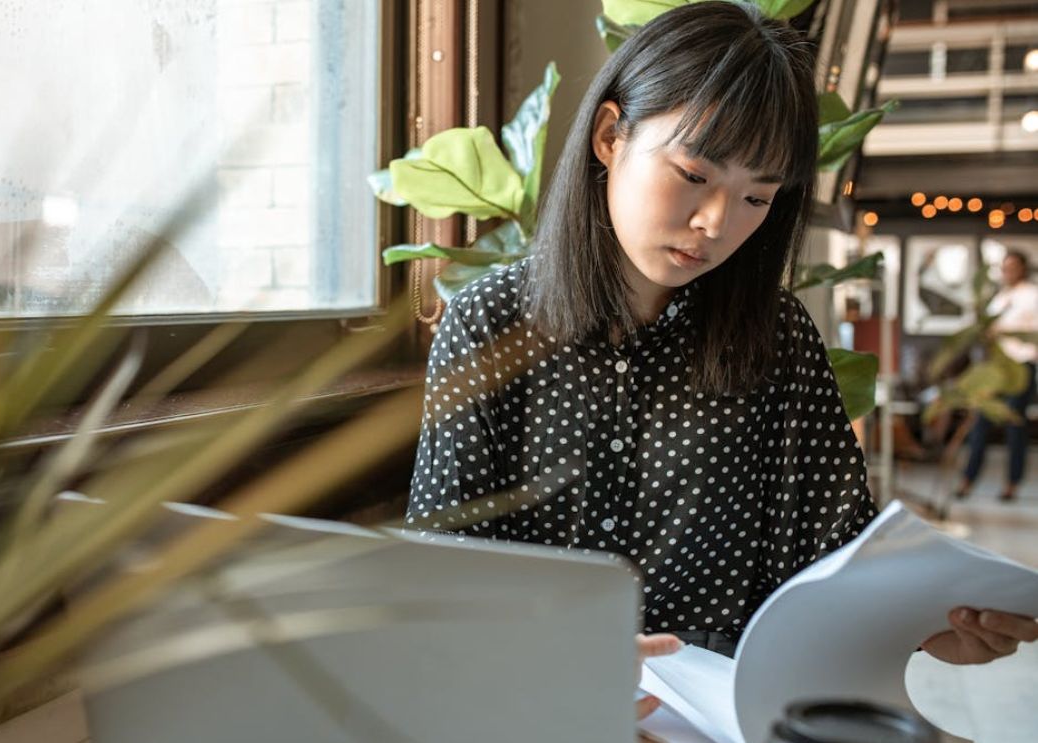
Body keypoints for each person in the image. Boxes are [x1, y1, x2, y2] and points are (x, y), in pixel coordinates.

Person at [403, 0, 1038, 722]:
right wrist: (556, 663)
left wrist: (931, 627)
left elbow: (837, 559)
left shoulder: (776, 337)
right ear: (610, 136)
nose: (716, 223)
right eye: (693, 174)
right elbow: (439, 573)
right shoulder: (490, 322)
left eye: (756, 197)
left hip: (729, 714)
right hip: (538, 709)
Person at [955, 249, 1038, 502]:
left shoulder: (1032, 295)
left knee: (1014, 427)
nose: (1008, 272)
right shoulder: (999, 298)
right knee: (980, 424)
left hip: (1020, 367)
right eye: (1005, 267)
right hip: (995, 370)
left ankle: (1012, 483)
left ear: (1023, 268)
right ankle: (968, 480)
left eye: (1012, 267)